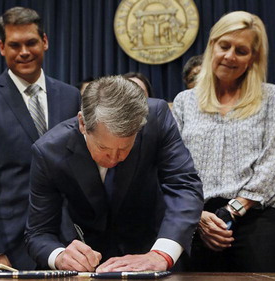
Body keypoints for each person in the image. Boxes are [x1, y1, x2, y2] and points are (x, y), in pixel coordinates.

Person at [25, 75, 203, 272]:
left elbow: (184, 187)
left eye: (125, 148)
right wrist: (60, 256)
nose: (114, 158)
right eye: (103, 148)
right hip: (90, 266)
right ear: (82, 124)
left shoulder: (156, 118)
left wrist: (161, 254)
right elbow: (38, 232)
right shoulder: (49, 151)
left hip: (154, 252)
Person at [0, 7, 80, 270]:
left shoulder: (71, 97)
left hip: (71, 243)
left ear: (44, 42)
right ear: (2, 47)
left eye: (31, 42)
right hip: (9, 246)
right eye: (15, 45)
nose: (24, 51)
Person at [172, 11, 275, 272]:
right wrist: (199, 217)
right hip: (197, 220)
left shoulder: (270, 98)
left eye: (241, 50)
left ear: (253, 58)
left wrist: (231, 211)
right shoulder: (183, 102)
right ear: (212, 46)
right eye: (224, 46)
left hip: (255, 217)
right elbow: (175, 168)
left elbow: (272, 164)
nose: (230, 56)